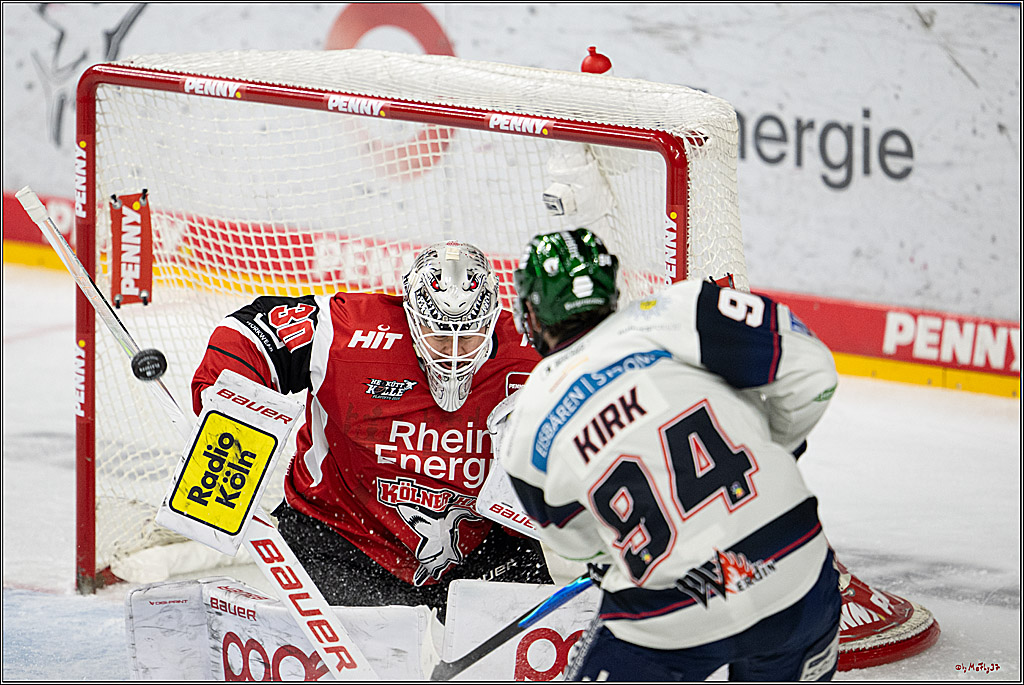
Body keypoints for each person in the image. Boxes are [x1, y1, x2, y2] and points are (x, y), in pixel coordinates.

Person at [499, 228, 843, 681]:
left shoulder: (525, 426)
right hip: (796, 570)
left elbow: (577, 545)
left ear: (531, 313)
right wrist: (766, 448)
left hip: (671, 613)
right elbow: (813, 375)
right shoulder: (679, 309)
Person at [191, 240, 552, 621]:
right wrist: (229, 417)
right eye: (439, 335)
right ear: (412, 317)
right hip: (342, 539)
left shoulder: (534, 354)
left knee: (541, 651)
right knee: (354, 659)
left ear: (492, 319)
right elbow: (249, 333)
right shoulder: (348, 332)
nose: (454, 353)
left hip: (480, 548)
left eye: (470, 336)